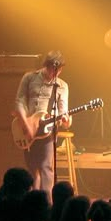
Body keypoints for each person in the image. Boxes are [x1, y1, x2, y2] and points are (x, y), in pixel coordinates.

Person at [13, 51, 72, 200]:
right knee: (32, 169)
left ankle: (46, 203)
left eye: (59, 70)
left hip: (48, 131)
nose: (56, 73)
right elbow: (19, 101)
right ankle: (32, 202)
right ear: (46, 66)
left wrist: (65, 119)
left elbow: (63, 108)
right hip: (27, 130)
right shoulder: (29, 78)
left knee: (46, 167)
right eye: (53, 69)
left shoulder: (62, 85)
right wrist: (26, 124)